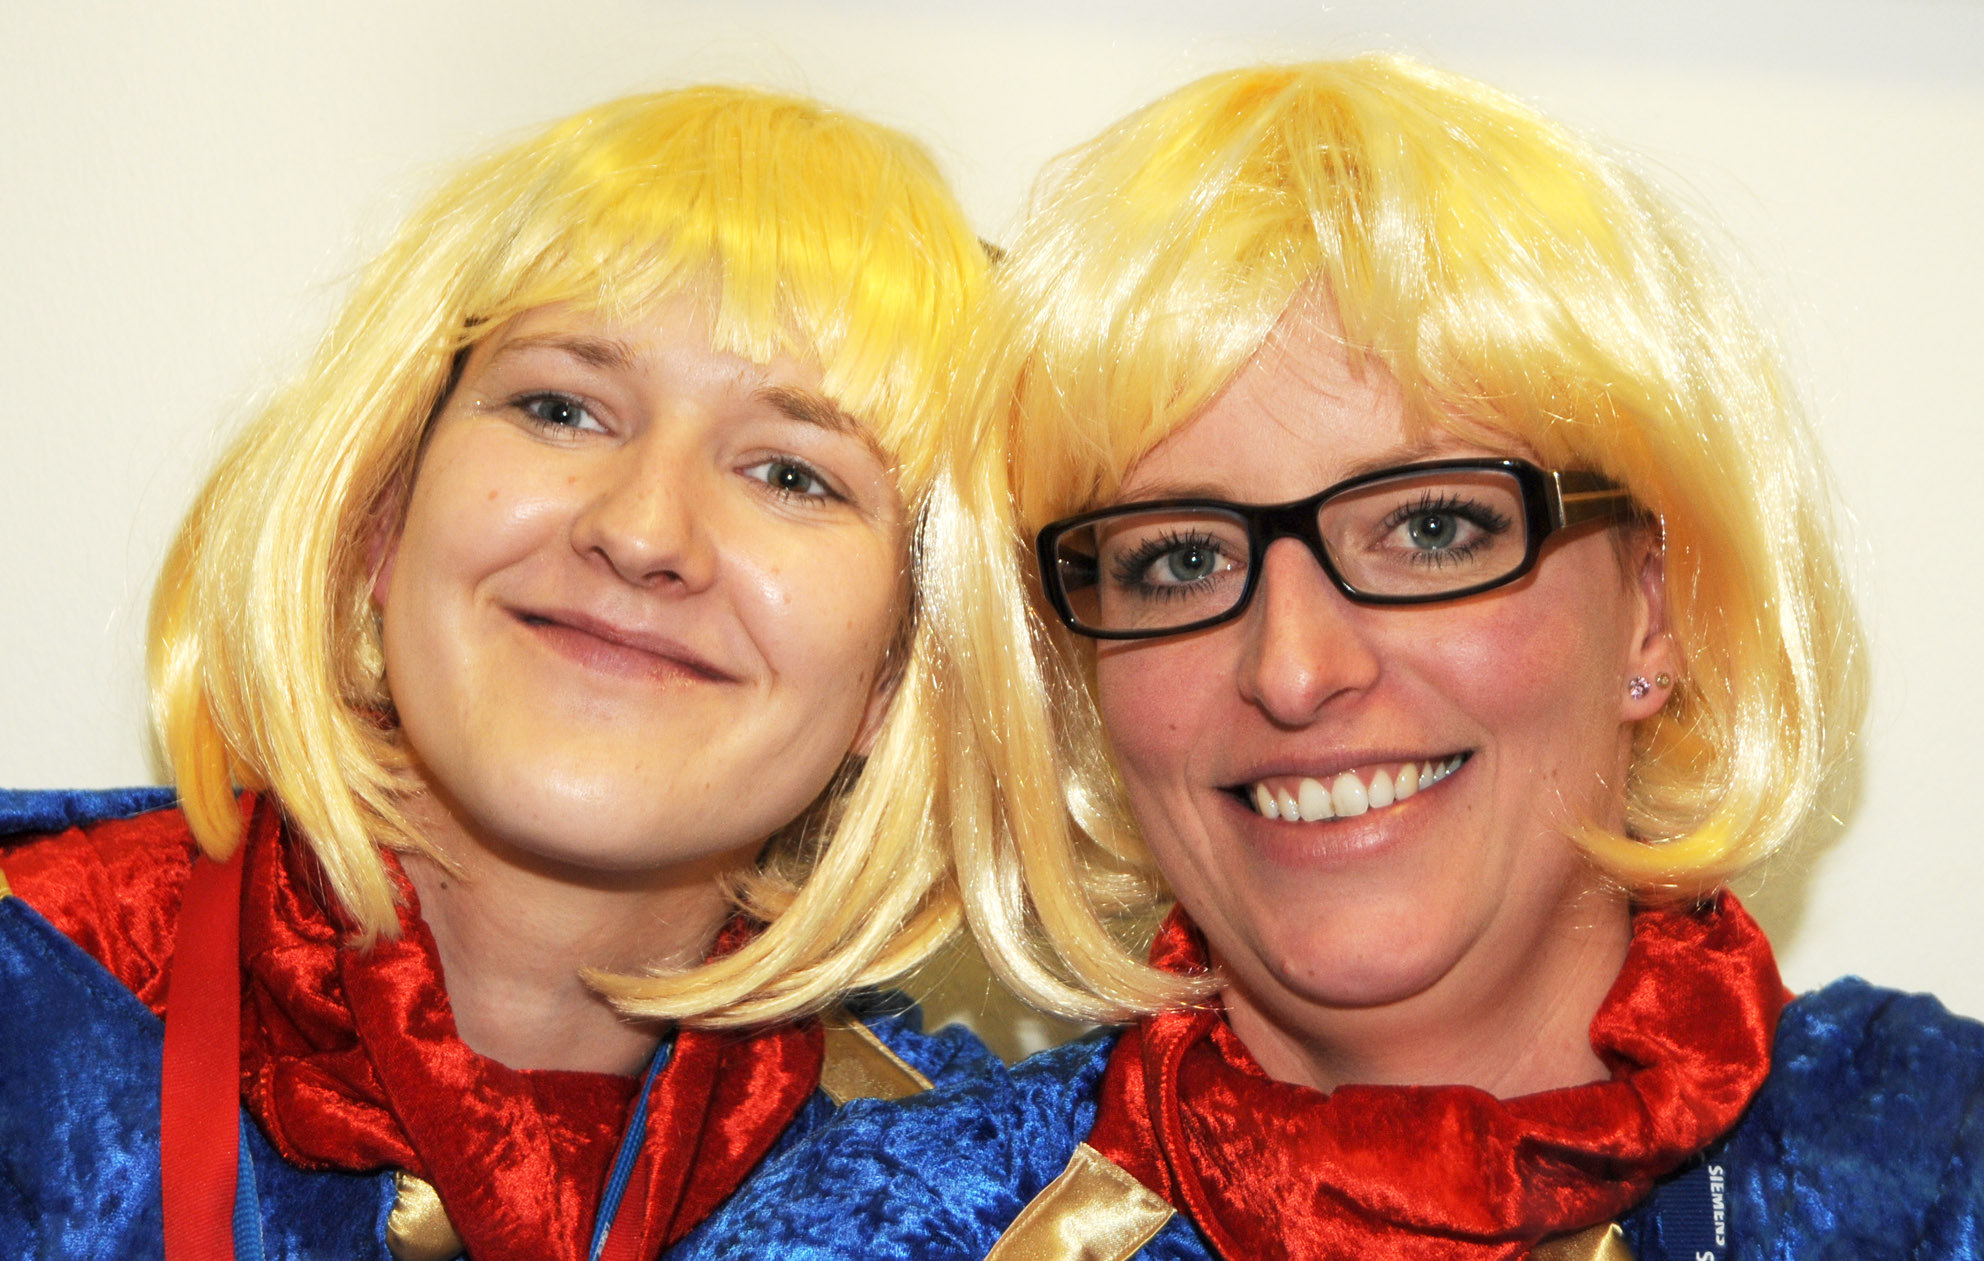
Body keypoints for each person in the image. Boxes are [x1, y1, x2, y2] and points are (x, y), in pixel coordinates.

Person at [670, 56, 1984, 1259]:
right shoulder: (901, 1223)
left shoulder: (1935, 1163)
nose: (1294, 671)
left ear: (1655, 609)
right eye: (1179, 558)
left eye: (1430, 527)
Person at [0, 84, 993, 1260]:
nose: (642, 531)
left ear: (899, 670)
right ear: (380, 519)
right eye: (561, 408)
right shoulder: (39, 984)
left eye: (791, 474)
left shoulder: (971, 1202)